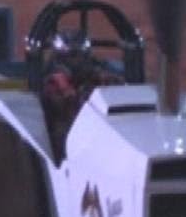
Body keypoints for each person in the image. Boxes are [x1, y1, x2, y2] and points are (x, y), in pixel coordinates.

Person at [41, 29, 125, 159]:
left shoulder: (94, 72)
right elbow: (64, 103)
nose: (77, 61)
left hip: (91, 126)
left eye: (80, 56)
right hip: (66, 127)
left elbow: (108, 79)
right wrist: (82, 94)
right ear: (61, 57)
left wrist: (109, 81)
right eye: (72, 56)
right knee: (64, 133)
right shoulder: (54, 80)